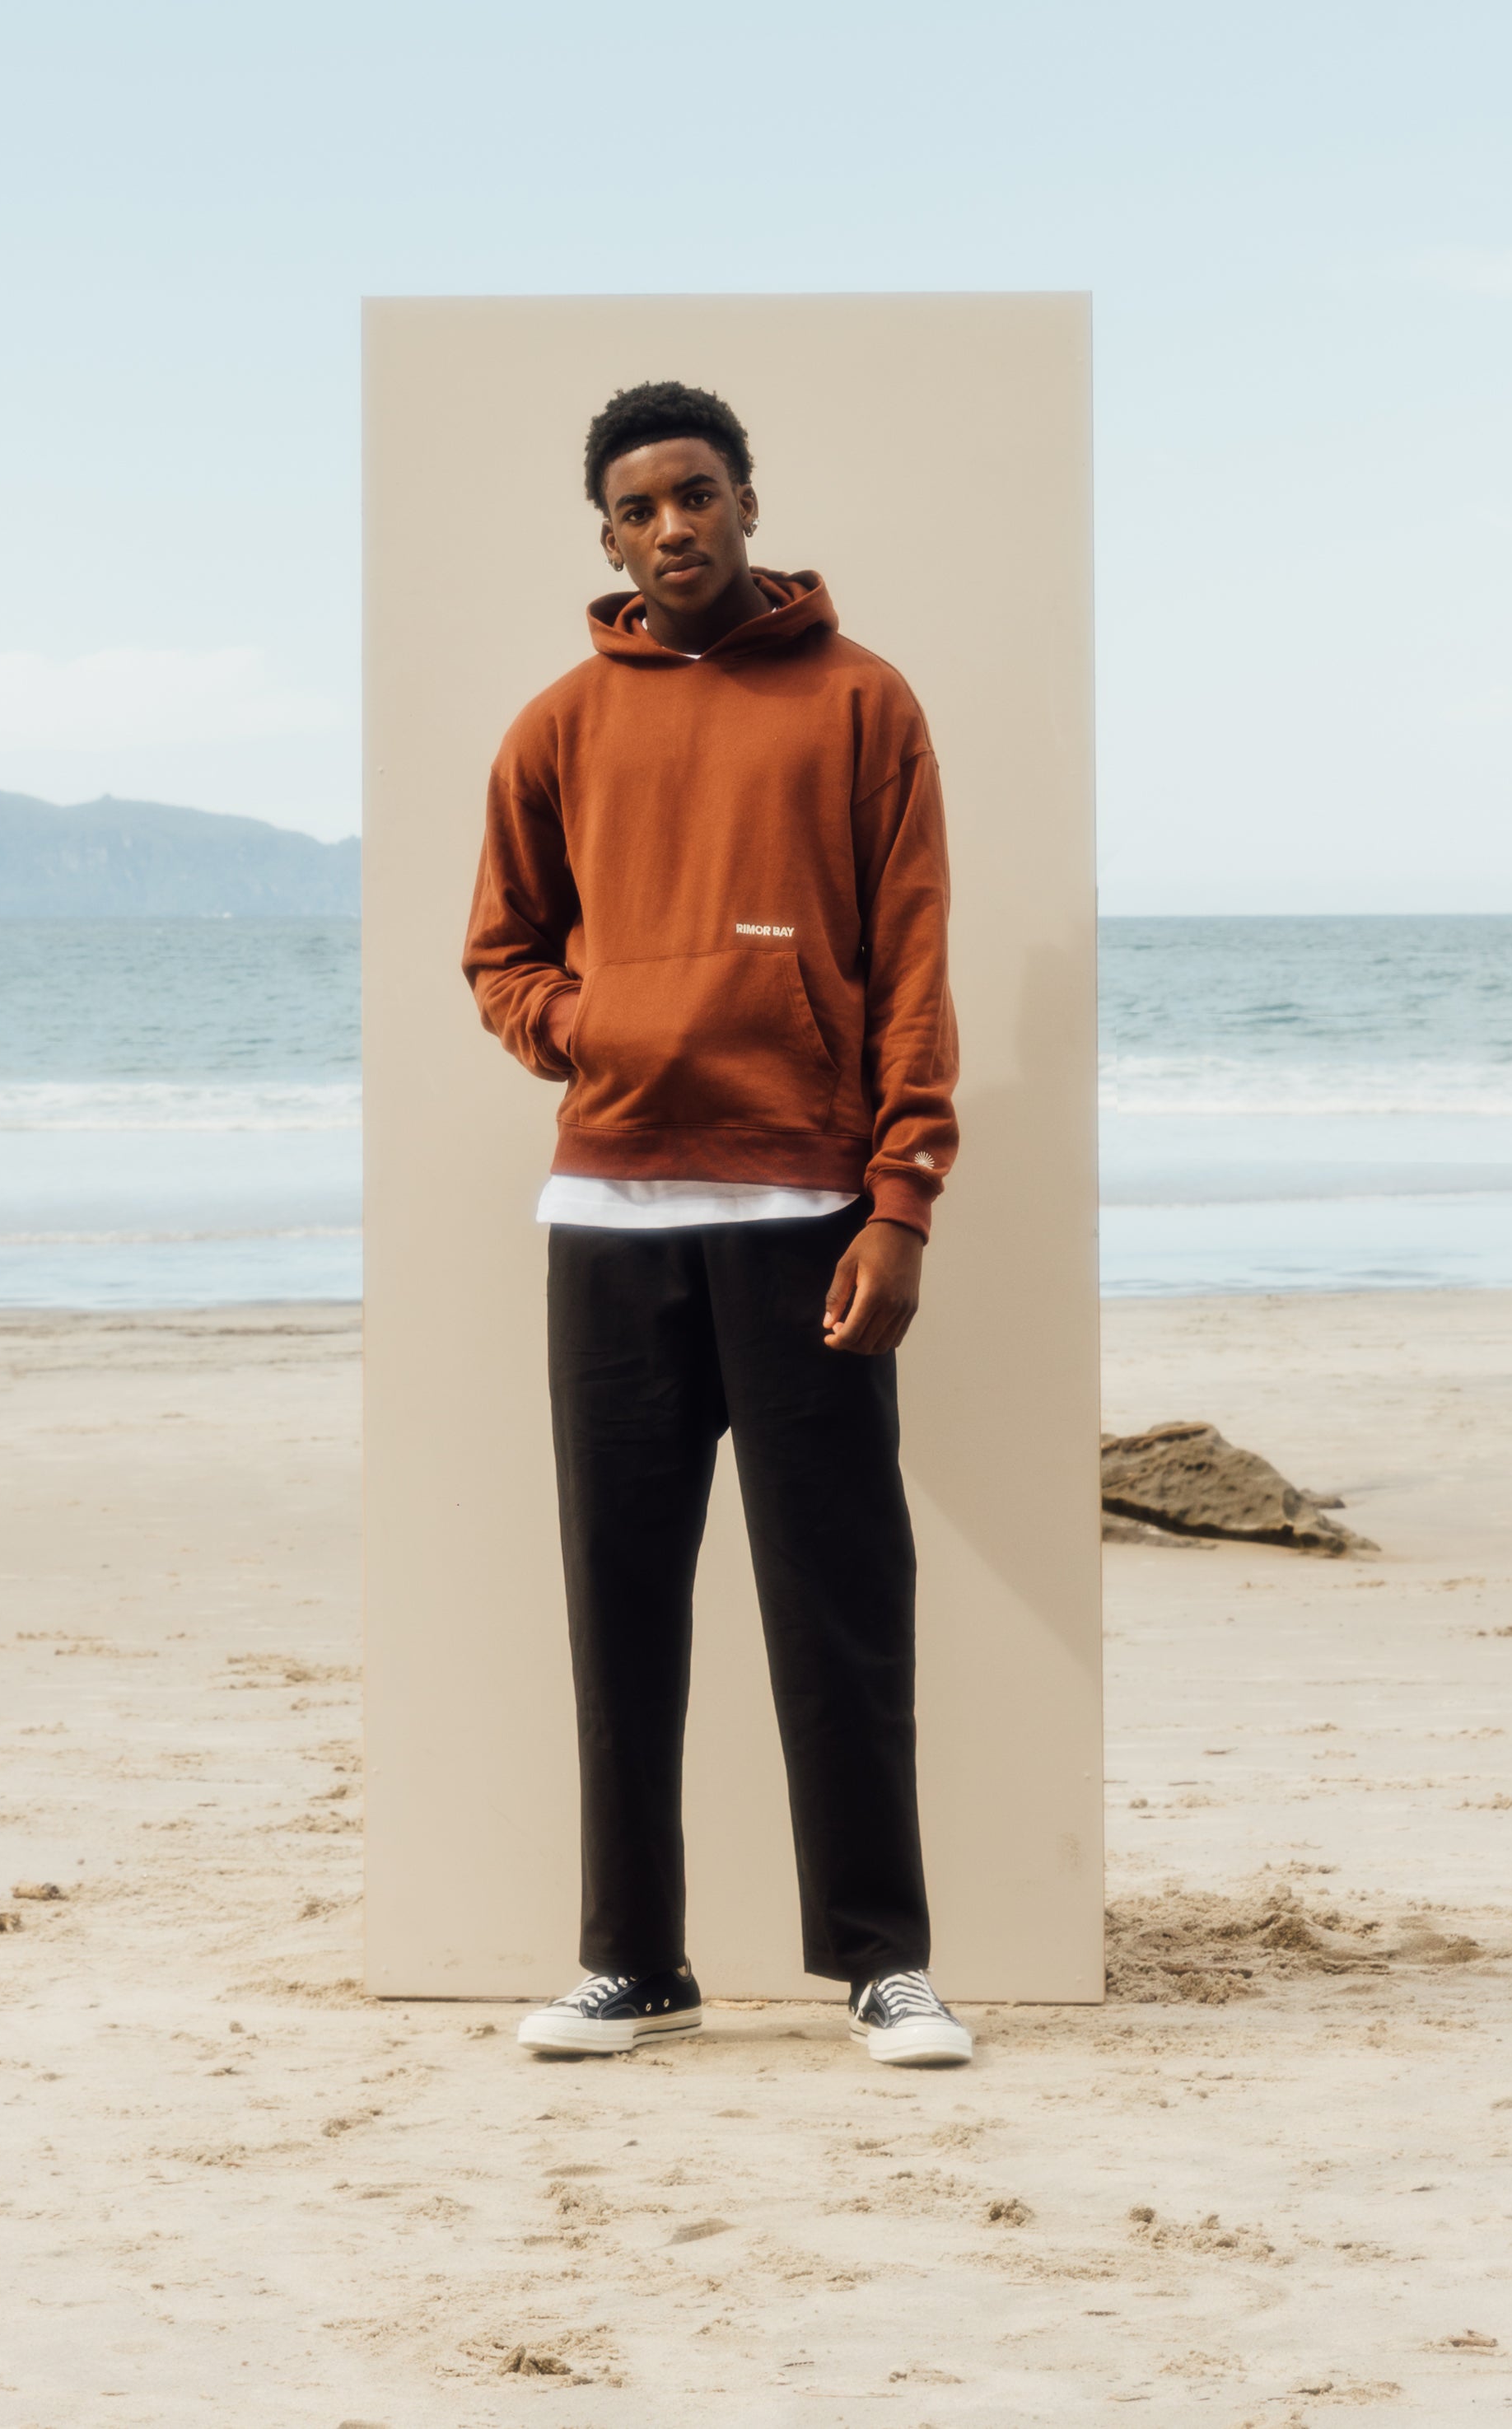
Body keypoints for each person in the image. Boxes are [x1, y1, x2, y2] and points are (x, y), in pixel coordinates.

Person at [462, 377, 969, 2068]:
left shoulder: (860, 700)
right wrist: (598, 1026)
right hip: (607, 1211)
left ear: (747, 498)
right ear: (606, 536)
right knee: (619, 1601)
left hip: (804, 1205)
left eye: (695, 493)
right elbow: (500, 952)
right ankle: (633, 1960)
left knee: (838, 1594)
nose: (670, 526)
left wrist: (899, 1200)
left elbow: (911, 964)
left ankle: (882, 1960)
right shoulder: (555, 726)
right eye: (636, 508)